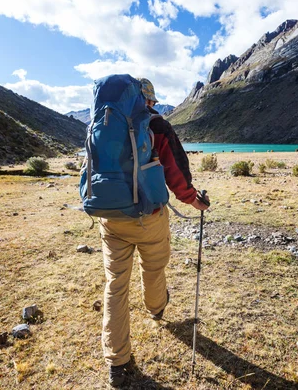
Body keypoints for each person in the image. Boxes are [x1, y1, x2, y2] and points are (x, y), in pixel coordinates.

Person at [99, 77, 209, 387]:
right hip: (149, 216)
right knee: (154, 266)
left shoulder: (104, 121)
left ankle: (117, 364)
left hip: (110, 218)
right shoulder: (156, 125)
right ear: (148, 100)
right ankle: (157, 306)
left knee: (115, 284)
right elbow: (175, 172)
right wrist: (193, 200)